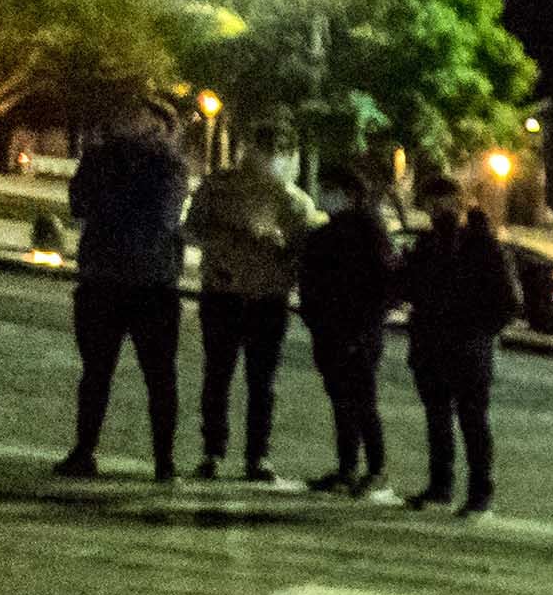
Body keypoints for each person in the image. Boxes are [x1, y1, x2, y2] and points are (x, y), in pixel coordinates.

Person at [56, 109, 189, 482]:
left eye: (134, 114)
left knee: (159, 376)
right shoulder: (100, 157)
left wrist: (109, 202)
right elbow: (78, 203)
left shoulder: (168, 164)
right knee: (96, 372)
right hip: (105, 278)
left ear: (156, 123)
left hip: (151, 283)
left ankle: (165, 461)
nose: (122, 118)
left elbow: (162, 218)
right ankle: (84, 450)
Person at [186, 151, 314, 486]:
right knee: (217, 376)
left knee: (263, 383)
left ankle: (258, 456)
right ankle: (212, 451)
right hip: (223, 293)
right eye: (265, 146)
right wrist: (228, 238)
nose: (271, 156)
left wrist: (280, 245)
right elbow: (192, 228)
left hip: (267, 298)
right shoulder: (219, 188)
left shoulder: (295, 200)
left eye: (279, 150)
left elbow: (303, 254)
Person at [397, 184, 517, 516]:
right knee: (438, 421)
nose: (437, 210)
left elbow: (507, 300)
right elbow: (411, 289)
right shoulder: (428, 244)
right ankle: (441, 487)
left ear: (458, 204)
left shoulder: (480, 245)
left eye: (443, 203)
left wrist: (477, 332)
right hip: (432, 346)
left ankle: (479, 495)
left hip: (466, 348)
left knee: (472, 423)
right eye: (432, 203)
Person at [294, 162, 396, 499]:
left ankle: (375, 469)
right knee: (341, 401)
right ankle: (347, 467)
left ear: (350, 195)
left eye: (331, 189)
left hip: (357, 332)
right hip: (330, 331)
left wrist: (363, 328)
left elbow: (382, 285)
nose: (324, 196)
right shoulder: (326, 232)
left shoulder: (368, 232)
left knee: (362, 401)